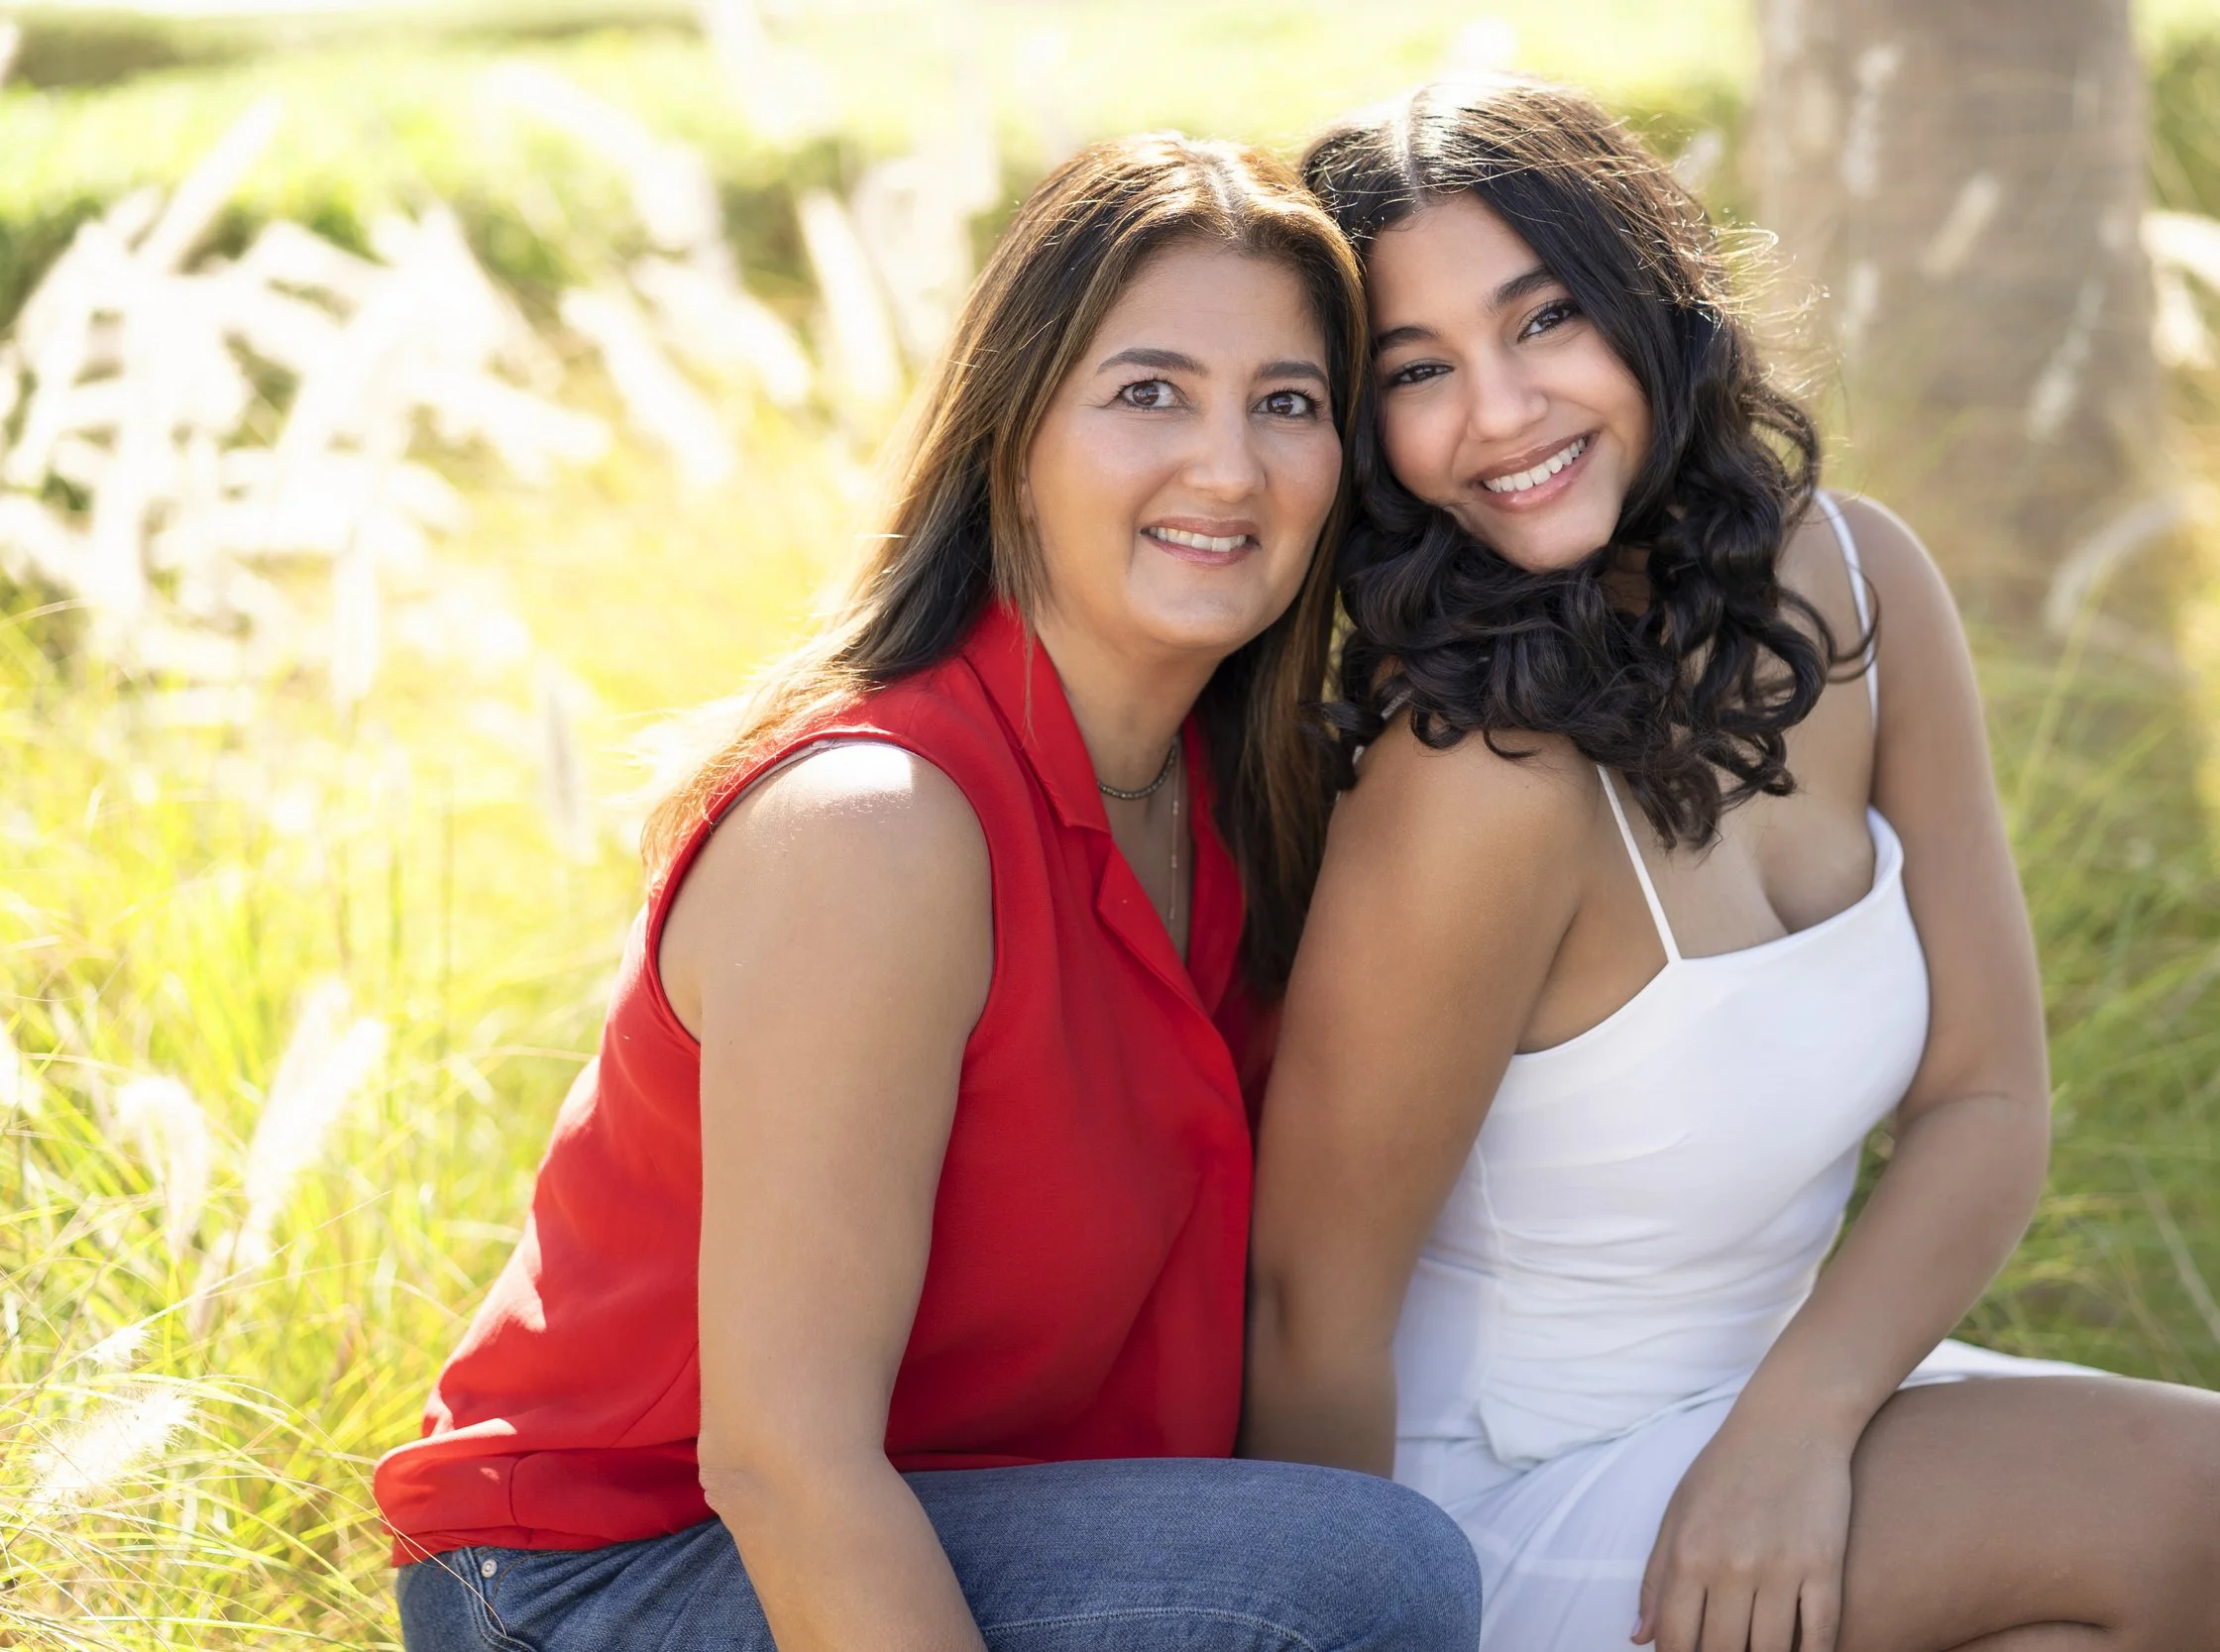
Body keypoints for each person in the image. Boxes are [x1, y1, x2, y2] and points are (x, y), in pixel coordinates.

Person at [1243, 77, 2220, 1652]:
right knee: (2218, 1510)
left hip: (1772, 1394)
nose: (1502, 410)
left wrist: (1797, 1423)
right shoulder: (1478, 777)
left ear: (1653, 302)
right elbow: (1309, 1313)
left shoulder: (1858, 580)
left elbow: (1987, 1095)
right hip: (1507, 1499)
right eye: (1419, 371)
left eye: (1544, 321)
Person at [376, 132, 1480, 1652]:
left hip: (970, 1518)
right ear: (1011, 435)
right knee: (1361, 1574)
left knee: (1359, 1560)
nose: (1228, 465)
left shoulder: (1240, 799)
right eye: (1148, 392)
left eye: (1285, 404)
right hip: (617, 1578)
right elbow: (780, 1459)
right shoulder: (875, 829)